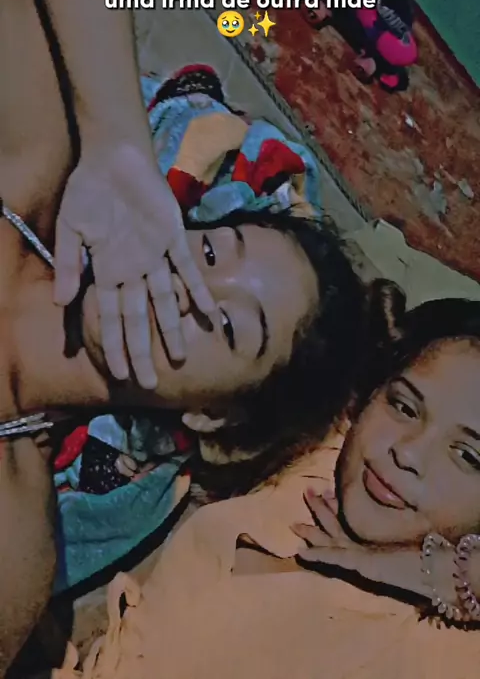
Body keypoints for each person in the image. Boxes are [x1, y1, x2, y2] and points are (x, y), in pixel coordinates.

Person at [0, 0, 364, 671]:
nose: (189, 292)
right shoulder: (33, 170)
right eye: (211, 253)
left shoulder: (18, 535)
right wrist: (118, 142)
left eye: (231, 326)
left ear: (210, 416)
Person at [60, 282, 480, 679]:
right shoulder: (331, 458)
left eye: (467, 456)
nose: (407, 452)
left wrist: (456, 576)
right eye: (405, 407)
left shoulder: (440, 651)